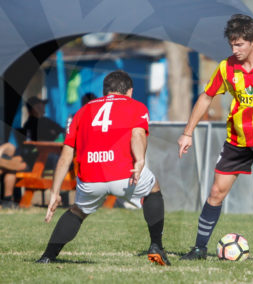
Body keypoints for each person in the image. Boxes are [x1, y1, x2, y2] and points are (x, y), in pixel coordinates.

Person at [177, 14, 253, 261]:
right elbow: (206, 96)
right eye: (232, 44)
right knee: (215, 193)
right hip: (238, 139)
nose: (235, 49)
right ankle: (200, 249)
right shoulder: (226, 67)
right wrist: (187, 133)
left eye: (239, 44)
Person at [36, 70, 170, 265]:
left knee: (77, 211)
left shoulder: (82, 112)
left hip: (91, 178)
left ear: (104, 91)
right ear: (130, 91)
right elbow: (138, 134)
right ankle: (156, 246)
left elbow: (66, 155)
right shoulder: (135, 105)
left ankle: (47, 256)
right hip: (125, 174)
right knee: (153, 188)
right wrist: (140, 160)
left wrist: (55, 192)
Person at [1, 97, 63, 208]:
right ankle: (7, 202)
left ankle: (7, 201)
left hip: (37, 159)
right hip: (34, 158)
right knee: (11, 168)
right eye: (41, 104)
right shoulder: (30, 125)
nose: (43, 107)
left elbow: (63, 133)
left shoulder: (44, 122)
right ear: (34, 108)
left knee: (9, 168)